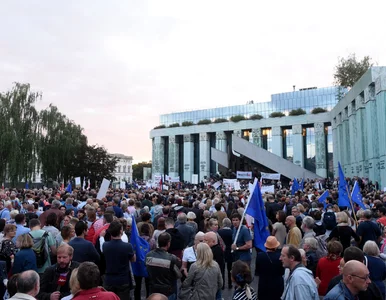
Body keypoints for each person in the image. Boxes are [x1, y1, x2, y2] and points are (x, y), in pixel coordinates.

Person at [102, 220, 136, 299]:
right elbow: (133, 259)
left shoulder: (105, 245)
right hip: (123, 280)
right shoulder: (127, 246)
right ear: (121, 231)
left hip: (109, 280)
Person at [146, 232, 182, 299]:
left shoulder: (148, 255)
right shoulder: (172, 258)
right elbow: (178, 274)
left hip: (153, 290)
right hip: (168, 292)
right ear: (168, 243)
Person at [255, 236, 284, 300]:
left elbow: (257, 271)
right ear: (276, 246)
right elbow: (282, 272)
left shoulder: (260, 256)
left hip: (263, 284)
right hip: (277, 284)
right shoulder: (280, 257)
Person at [204, 231, 224, 300]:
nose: (204, 242)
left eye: (206, 240)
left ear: (213, 241)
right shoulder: (211, 249)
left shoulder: (217, 250)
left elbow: (218, 266)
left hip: (214, 280)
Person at [217, 218, 233, 289]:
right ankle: (230, 283)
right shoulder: (232, 232)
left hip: (222, 251)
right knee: (230, 268)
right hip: (230, 251)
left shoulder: (219, 232)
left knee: (222, 268)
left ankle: (222, 284)